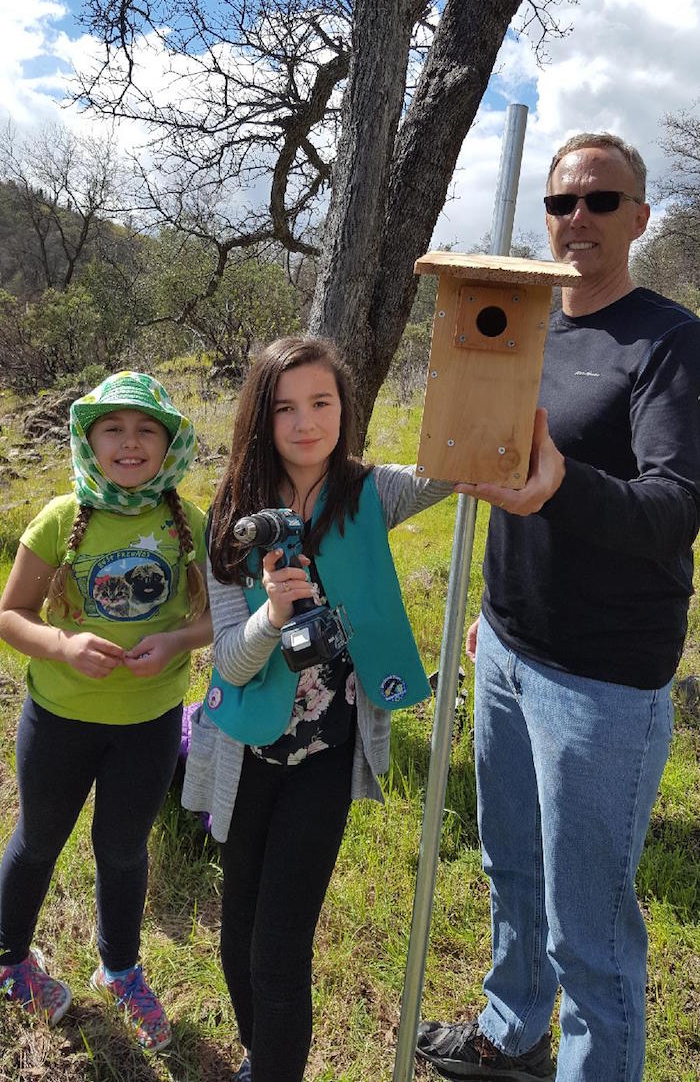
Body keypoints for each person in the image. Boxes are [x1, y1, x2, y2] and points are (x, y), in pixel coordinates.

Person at [416, 132, 700, 1081]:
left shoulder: (670, 343)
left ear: (639, 218)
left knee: (590, 926)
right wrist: (492, 615)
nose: (577, 219)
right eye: (561, 203)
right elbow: (491, 457)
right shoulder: (529, 320)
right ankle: (514, 1033)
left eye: (601, 202)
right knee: (512, 874)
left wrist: (561, 487)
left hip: (602, 683)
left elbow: (672, 510)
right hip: (505, 648)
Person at [182, 334, 471, 1082]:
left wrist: (490, 374)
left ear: (346, 407)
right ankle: (261, 1058)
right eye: (285, 408)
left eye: (322, 403)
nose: (306, 423)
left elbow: (456, 463)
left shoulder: (371, 493)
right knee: (236, 930)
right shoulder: (234, 514)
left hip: (324, 758)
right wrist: (271, 617)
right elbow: (230, 659)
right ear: (260, 419)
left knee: (279, 943)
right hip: (248, 751)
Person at [0, 371, 212, 1052]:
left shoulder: (190, 525)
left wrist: (176, 640)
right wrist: (61, 645)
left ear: (169, 444)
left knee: (123, 851)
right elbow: (11, 615)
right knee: (38, 840)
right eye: (113, 429)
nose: (130, 442)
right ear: (88, 442)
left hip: (149, 726)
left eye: (146, 429)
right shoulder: (60, 519)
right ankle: (9, 963)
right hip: (58, 720)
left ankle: (119, 967)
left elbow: (214, 619)